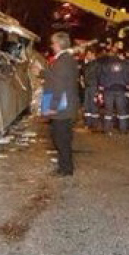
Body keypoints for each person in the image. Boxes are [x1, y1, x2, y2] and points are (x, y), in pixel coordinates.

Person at [41, 32, 80, 177]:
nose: (51, 46)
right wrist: (42, 73)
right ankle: (64, 167)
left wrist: (52, 106)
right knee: (62, 138)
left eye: (53, 43)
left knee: (61, 139)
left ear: (58, 44)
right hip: (64, 106)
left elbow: (58, 86)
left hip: (62, 108)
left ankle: (66, 169)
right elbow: (54, 76)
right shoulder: (65, 60)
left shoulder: (63, 61)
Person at [98, 43, 129, 134]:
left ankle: (107, 129)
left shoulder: (105, 64)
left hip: (108, 90)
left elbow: (102, 76)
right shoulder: (125, 64)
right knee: (122, 111)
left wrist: (101, 89)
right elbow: (128, 77)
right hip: (121, 89)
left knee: (108, 111)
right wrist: (128, 86)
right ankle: (123, 130)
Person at [81, 48, 102, 130]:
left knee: (94, 106)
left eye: (88, 54)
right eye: (86, 54)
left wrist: (98, 90)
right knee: (87, 106)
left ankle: (94, 124)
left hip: (94, 87)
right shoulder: (88, 64)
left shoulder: (97, 64)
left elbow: (99, 76)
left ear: (93, 54)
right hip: (87, 87)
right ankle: (87, 123)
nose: (87, 56)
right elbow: (84, 74)